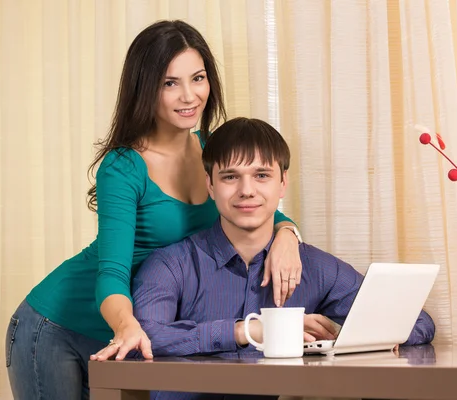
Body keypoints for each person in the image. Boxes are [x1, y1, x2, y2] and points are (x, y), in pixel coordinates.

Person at [6, 21, 303, 400]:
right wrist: (127, 324)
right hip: (58, 325)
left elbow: (251, 202)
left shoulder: (213, 148)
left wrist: (287, 234)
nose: (188, 96)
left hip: (141, 330)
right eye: (169, 83)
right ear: (145, 89)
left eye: (197, 78)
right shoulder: (124, 166)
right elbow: (112, 271)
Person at [131, 117, 435, 399]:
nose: (246, 190)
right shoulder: (171, 265)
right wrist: (245, 331)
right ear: (210, 185)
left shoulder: (314, 267)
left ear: (282, 183)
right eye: (230, 177)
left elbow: (420, 322)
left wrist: (352, 335)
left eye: (261, 175)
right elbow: (140, 340)